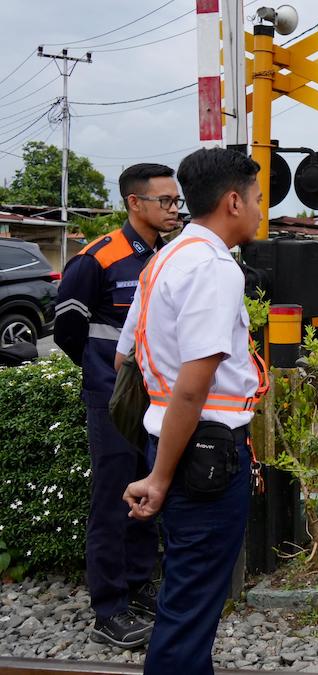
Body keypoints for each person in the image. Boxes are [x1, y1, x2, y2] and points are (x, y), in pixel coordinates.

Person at [116, 148, 267, 673]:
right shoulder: (213, 268)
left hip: (175, 442)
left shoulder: (167, 257)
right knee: (190, 609)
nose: (260, 210)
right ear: (233, 202)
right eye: (257, 199)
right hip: (203, 455)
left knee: (186, 599)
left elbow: (124, 356)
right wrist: (159, 479)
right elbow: (191, 387)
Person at [54, 163, 181, 649]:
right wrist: (105, 374)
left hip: (158, 401)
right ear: (134, 202)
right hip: (111, 401)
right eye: (165, 201)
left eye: (176, 201)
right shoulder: (97, 259)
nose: (174, 209)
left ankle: (138, 585)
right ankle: (108, 610)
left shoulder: (169, 256)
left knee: (148, 494)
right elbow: (69, 331)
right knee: (112, 501)